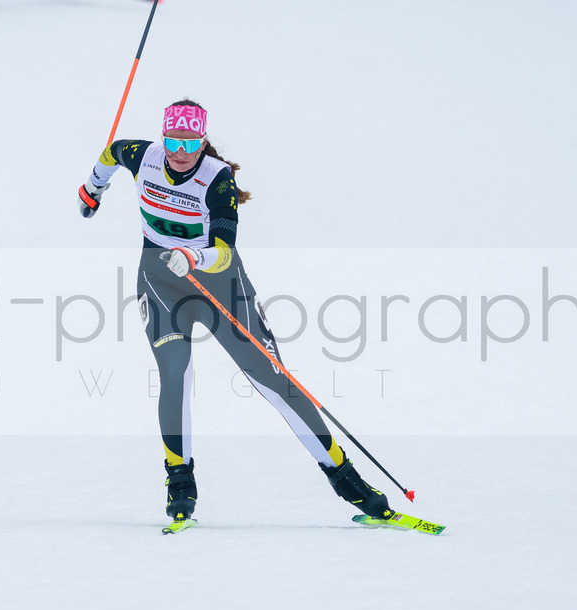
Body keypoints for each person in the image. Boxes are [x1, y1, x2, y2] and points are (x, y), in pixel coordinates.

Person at [77, 99, 396, 525]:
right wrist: (92, 191)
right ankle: (180, 483)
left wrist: (193, 259)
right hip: (160, 283)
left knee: (273, 381)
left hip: (219, 287)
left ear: (203, 140)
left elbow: (225, 254)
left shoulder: (217, 180)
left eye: (190, 142)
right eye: (173, 140)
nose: (180, 151)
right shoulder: (144, 156)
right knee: (174, 373)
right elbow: (111, 152)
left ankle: (347, 480)